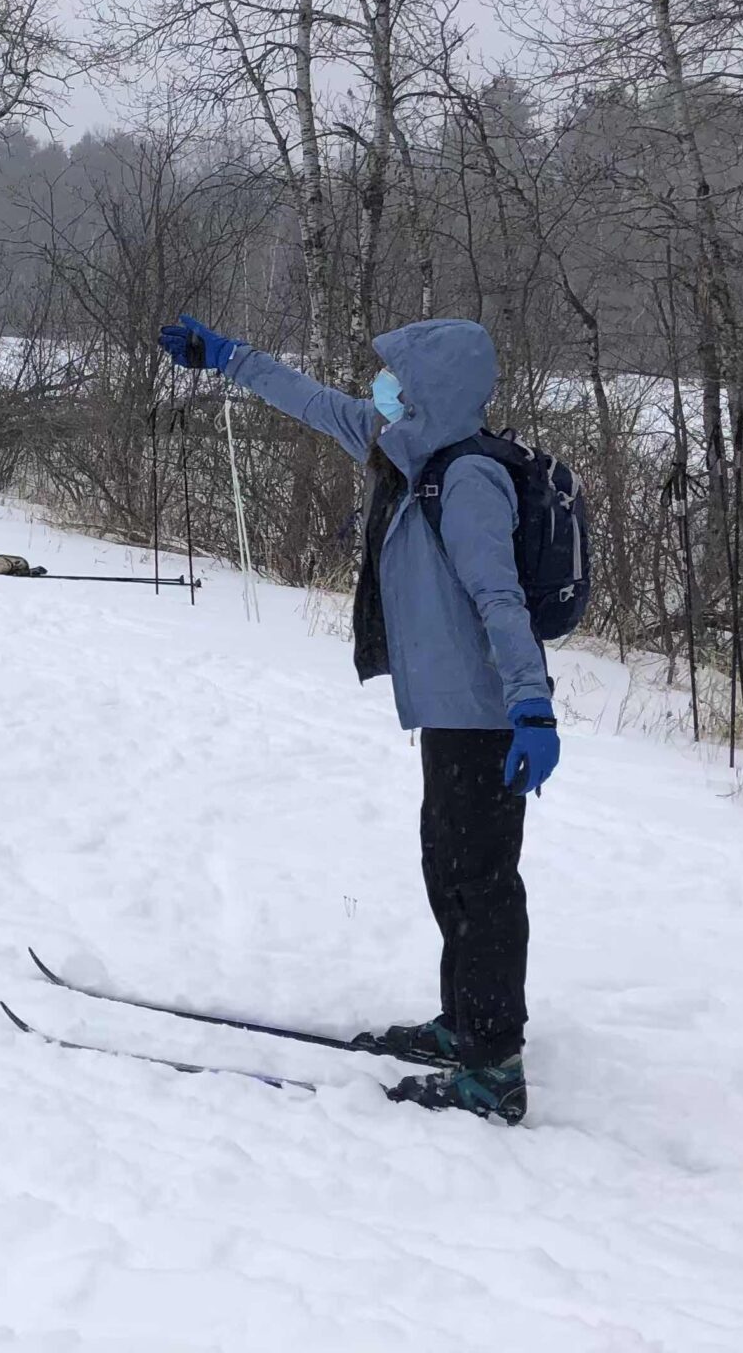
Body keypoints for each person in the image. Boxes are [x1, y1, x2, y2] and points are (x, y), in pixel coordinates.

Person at [159, 311, 559, 1124]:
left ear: (430, 390)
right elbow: (308, 400)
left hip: (486, 716)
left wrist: (531, 705)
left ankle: (493, 1066)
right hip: (447, 714)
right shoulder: (404, 449)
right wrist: (229, 357)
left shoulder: (470, 477)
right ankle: (465, 1024)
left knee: (480, 881)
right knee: (450, 869)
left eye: (398, 378)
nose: (384, 388)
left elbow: (499, 598)